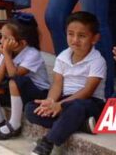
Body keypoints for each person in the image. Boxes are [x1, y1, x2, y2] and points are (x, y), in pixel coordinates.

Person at [25, 11, 107, 155]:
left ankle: (47, 142)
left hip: (89, 103)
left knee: (76, 108)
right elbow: (57, 85)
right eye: (71, 34)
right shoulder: (63, 56)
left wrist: (61, 106)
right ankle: (81, 124)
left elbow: (87, 91)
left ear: (95, 38)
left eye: (82, 36)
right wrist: (50, 102)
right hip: (66, 100)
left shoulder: (97, 60)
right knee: (31, 109)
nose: (75, 40)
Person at [0, 13, 49, 140]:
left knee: (14, 82)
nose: (1, 41)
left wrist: (7, 54)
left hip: (37, 94)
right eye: (1, 37)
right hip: (16, 94)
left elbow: (13, 75)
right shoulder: (7, 52)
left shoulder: (32, 54)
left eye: (5, 38)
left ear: (22, 43)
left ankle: (14, 124)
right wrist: (5, 55)